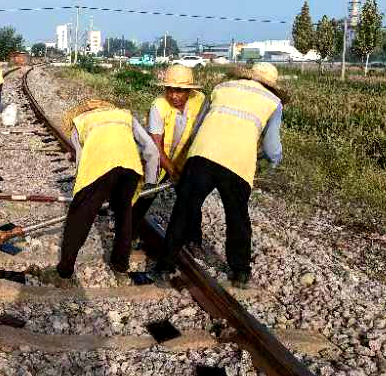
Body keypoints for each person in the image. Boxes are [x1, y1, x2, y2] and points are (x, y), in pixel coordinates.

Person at [154, 62, 286, 288]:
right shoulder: (274, 102)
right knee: (237, 217)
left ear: (249, 76)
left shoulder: (222, 88)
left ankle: (164, 268)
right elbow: (272, 147)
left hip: (202, 154)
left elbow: (199, 126)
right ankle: (240, 272)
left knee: (184, 209)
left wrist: (190, 158)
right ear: (271, 85)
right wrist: (274, 160)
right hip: (237, 163)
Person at [41, 100, 159, 287]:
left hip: (99, 168)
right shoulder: (125, 116)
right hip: (129, 167)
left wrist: (84, 195)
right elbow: (151, 150)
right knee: (124, 217)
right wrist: (151, 181)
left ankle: (63, 273)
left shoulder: (80, 122)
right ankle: (120, 269)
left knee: (78, 218)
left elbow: (81, 161)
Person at [130, 64, 208, 248]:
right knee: (145, 194)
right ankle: (128, 234)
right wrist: (172, 171)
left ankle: (194, 239)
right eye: (169, 89)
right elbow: (155, 145)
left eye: (179, 90)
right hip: (158, 158)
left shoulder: (200, 102)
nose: (173, 95)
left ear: (189, 90)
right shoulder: (158, 106)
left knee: (190, 198)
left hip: (185, 159)